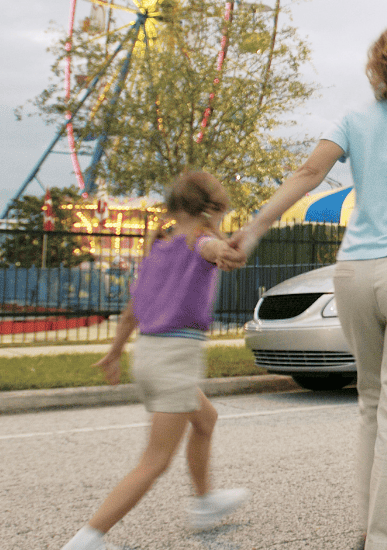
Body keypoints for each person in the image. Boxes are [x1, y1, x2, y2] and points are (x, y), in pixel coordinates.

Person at [229, 18, 387, 550]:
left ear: (381, 64)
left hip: (355, 272)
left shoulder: (354, 118)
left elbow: (307, 174)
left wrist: (253, 228)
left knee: (371, 403)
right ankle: (383, 540)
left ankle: (374, 531)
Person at [62, 171, 250, 550]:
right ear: (212, 209)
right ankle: (87, 540)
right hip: (175, 358)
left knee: (206, 418)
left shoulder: (159, 246)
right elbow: (211, 250)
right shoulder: (203, 239)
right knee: (155, 461)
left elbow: (133, 309)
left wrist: (114, 353)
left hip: (147, 354)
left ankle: (203, 504)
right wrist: (225, 252)